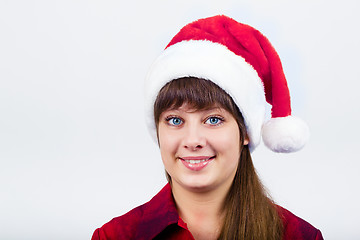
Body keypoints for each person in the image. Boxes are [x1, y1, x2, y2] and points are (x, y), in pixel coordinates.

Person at [91, 15, 324, 240]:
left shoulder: (298, 236)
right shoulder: (115, 236)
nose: (193, 141)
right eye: (175, 120)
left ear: (244, 132)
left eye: (213, 120)